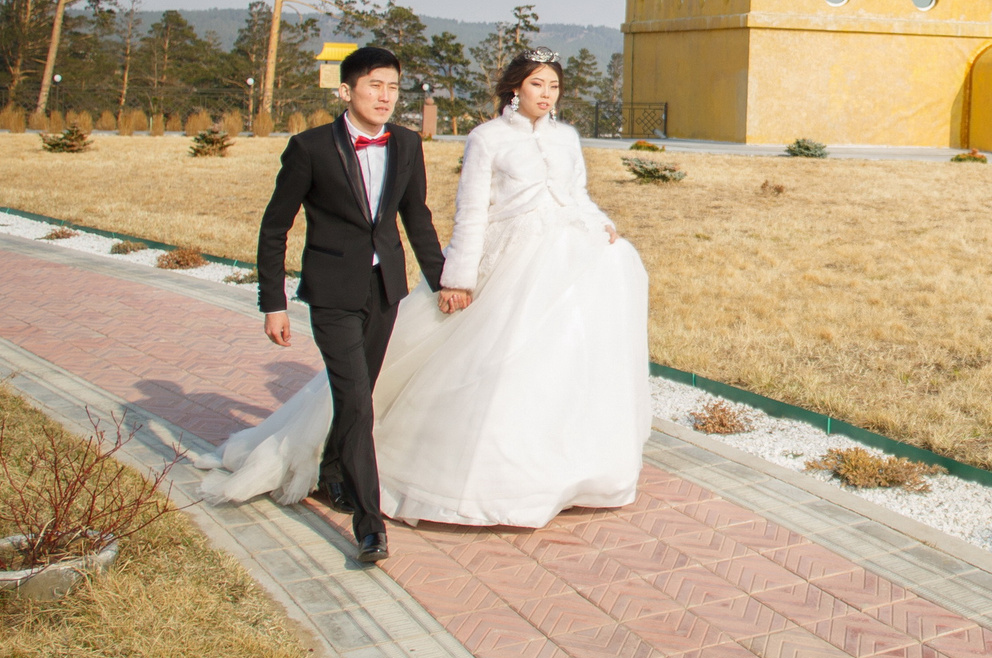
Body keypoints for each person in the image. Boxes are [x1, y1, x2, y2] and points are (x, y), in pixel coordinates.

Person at [197, 50, 653, 532]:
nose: (546, 94)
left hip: (559, 262)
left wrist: (600, 225)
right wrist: (453, 278)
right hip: (504, 260)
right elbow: (470, 212)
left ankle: (558, 469)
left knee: (552, 363)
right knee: (474, 363)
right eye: (537, 84)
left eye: (553, 86)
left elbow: (576, 195)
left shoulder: (566, 139)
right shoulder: (488, 139)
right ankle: (386, 485)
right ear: (516, 87)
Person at [246, 46, 451, 563]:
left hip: (385, 294)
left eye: (393, 87)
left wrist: (444, 281)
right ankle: (369, 523)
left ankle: (334, 468)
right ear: (346, 91)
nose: (385, 96)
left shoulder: (405, 144)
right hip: (332, 295)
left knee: (360, 396)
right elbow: (275, 228)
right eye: (374, 85)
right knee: (358, 401)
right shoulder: (309, 148)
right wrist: (272, 303)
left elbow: (417, 219)